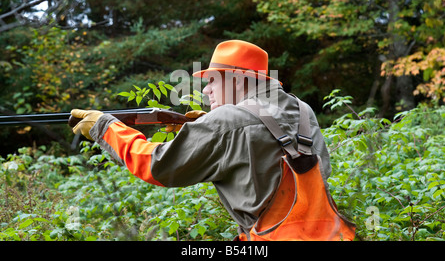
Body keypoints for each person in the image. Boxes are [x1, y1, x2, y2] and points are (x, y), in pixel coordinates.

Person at [71, 40, 355, 241]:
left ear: (238, 81)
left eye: (212, 81)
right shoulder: (302, 110)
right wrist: (203, 125)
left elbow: (157, 165)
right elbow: (265, 139)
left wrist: (105, 126)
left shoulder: (227, 122)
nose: (206, 90)